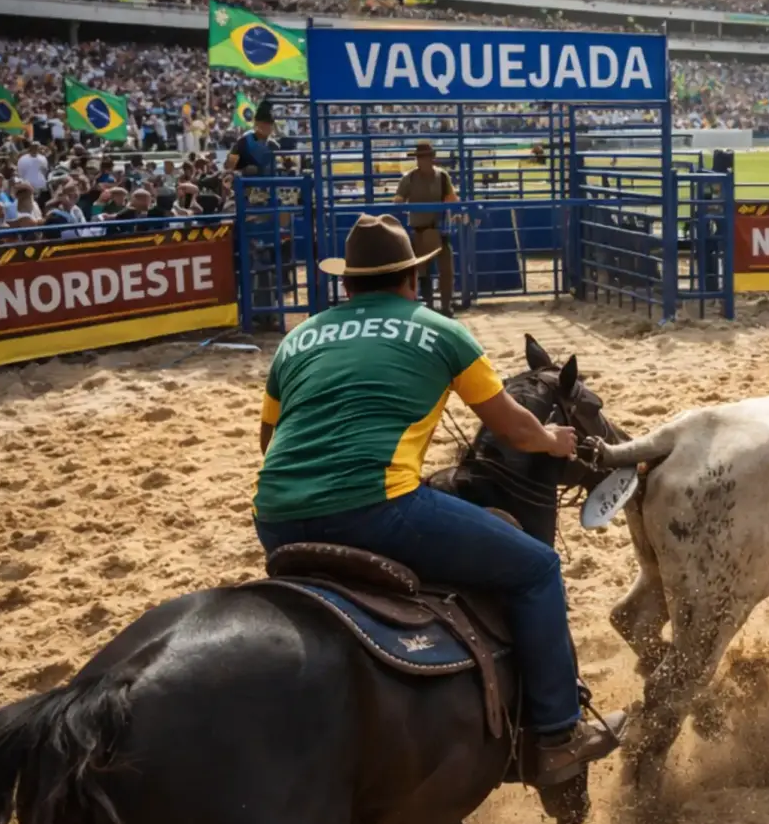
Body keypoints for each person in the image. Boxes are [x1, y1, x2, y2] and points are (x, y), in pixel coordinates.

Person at [251, 214, 622, 784]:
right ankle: (558, 735)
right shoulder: (441, 331)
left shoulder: (298, 338)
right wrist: (553, 439)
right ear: (412, 279)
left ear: (346, 284)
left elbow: (269, 441)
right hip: (376, 510)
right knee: (537, 569)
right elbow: (514, 430)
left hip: (276, 518)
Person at [393, 140, 459, 315]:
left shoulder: (442, 176)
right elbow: (398, 199)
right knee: (422, 272)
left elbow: (452, 198)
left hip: (439, 230)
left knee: (446, 271)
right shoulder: (409, 178)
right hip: (421, 230)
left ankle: (446, 306)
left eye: (425, 157)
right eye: (420, 157)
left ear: (432, 158)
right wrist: (400, 200)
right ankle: (428, 305)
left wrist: (452, 205)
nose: (422, 160)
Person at [225, 100, 281, 178]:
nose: (267, 127)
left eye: (269, 123)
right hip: (247, 182)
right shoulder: (245, 141)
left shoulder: (273, 146)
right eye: (264, 123)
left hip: (269, 182)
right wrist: (244, 168)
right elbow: (229, 166)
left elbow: (281, 163)